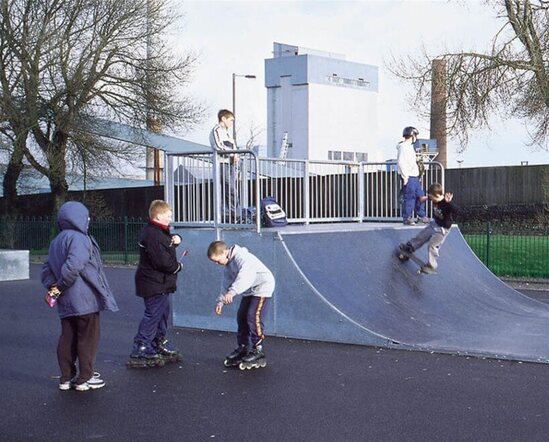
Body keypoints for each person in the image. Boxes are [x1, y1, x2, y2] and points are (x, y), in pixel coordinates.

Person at [41, 201, 118, 391]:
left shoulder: (56, 241)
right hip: (85, 299)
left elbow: (46, 269)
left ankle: (66, 377)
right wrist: (60, 285)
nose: (89, 220)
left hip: (66, 301)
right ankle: (85, 377)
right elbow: (74, 265)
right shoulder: (81, 239)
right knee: (87, 338)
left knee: (68, 337)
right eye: (87, 217)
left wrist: (54, 287)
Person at [128, 200, 183, 368]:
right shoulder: (154, 234)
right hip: (153, 281)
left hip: (159, 282)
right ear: (158, 216)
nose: (170, 218)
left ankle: (157, 341)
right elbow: (162, 260)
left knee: (162, 312)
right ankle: (142, 344)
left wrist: (177, 240)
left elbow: (167, 245)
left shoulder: (159, 232)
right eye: (168, 215)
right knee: (153, 313)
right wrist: (177, 267)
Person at [207, 240, 274, 368]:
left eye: (217, 260)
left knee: (253, 317)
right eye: (214, 261)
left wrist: (232, 293)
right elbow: (226, 283)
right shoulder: (228, 264)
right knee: (242, 316)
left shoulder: (242, 258)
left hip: (262, 286)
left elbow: (246, 277)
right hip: (249, 289)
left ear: (225, 253)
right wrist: (221, 301)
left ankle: (258, 349)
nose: (217, 264)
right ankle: (243, 347)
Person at [399, 183, 459, 273]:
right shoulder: (435, 198)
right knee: (422, 235)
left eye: (431, 197)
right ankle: (410, 247)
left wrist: (449, 202)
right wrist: (425, 198)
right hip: (435, 224)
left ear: (437, 195)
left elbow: (456, 210)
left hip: (443, 229)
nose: (431, 199)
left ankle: (431, 265)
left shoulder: (446, 204)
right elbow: (429, 197)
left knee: (432, 245)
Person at [209, 109, 240, 222]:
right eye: (231, 120)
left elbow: (233, 146)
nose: (232, 123)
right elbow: (218, 146)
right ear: (223, 119)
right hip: (221, 164)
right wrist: (232, 154)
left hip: (230, 164)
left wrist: (235, 155)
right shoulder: (216, 130)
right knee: (228, 188)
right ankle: (229, 215)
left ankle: (234, 215)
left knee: (231, 189)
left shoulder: (228, 133)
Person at [397, 126, 428, 225]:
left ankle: (421, 216)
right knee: (410, 197)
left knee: (421, 196)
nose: (416, 137)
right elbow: (401, 162)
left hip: (414, 176)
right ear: (412, 135)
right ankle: (407, 218)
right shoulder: (403, 147)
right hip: (408, 176)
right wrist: (405, 177)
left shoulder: (410, 147)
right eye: (415, 135)